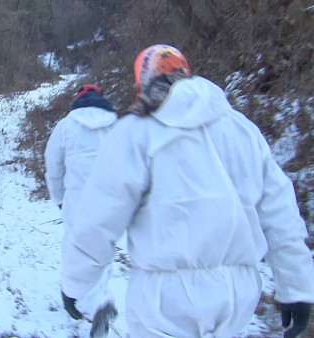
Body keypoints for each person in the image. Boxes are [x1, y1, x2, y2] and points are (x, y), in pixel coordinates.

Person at [61, 44, 314, 338]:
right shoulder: (241, 128)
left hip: (166, 300)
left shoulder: (136, 131)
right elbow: (279, 211)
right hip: (237, 296)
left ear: (142, 82)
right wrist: (296, 287)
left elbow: (99, 218)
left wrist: (76, 283)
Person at [43, 84, 118, 323]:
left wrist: (59, 199)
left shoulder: (66, 126)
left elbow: (53, 167)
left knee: (75, 246)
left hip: (77, 201)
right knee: (103, 248)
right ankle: (100, 299)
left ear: (78, 100)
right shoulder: (118, 124)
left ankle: (78, 297)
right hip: (110, 200)